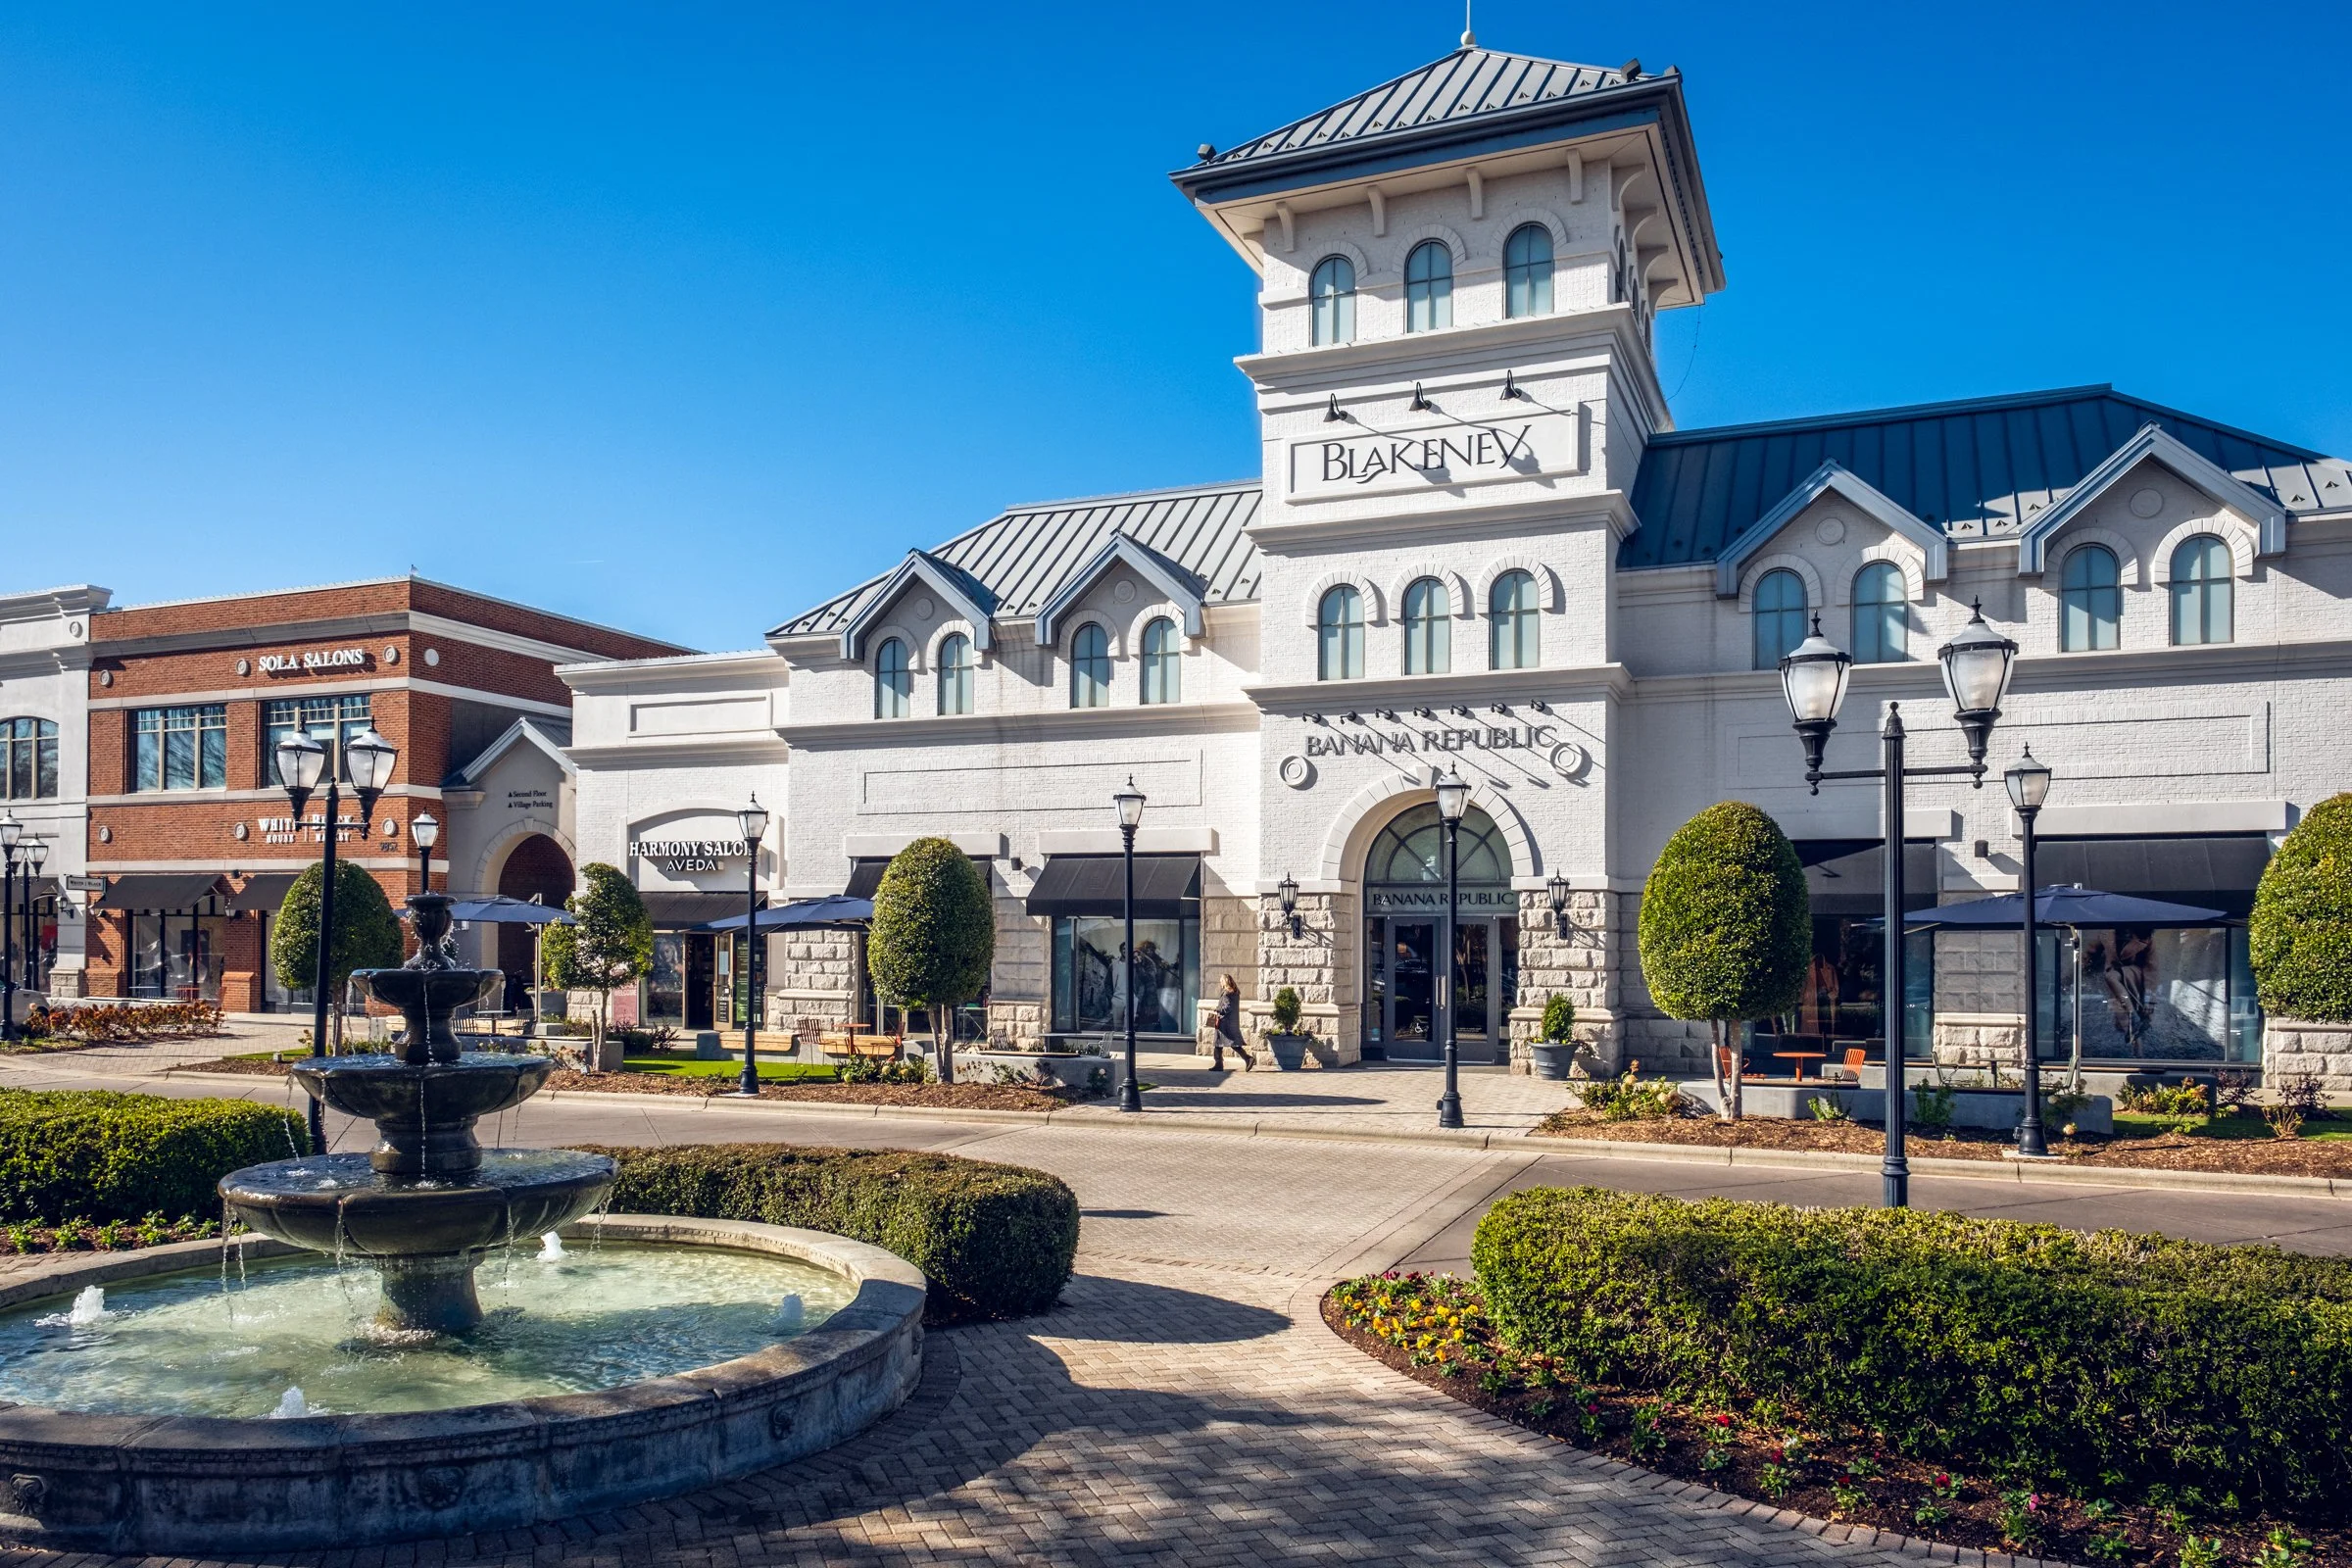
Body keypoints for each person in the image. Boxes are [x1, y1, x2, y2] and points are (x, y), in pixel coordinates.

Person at [1213, 974, 1254, 1071]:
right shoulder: (1235, 992)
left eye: (1221, 980)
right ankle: (1247, 1059)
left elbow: (1228, 1007)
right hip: (1232, 1022)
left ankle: (1247, 1059)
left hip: (1224, 1023)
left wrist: (1218, 1009)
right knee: (1231, 1044)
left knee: (1219, 1043)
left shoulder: (1227, 993)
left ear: (1224, 981)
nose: (1220, 982)